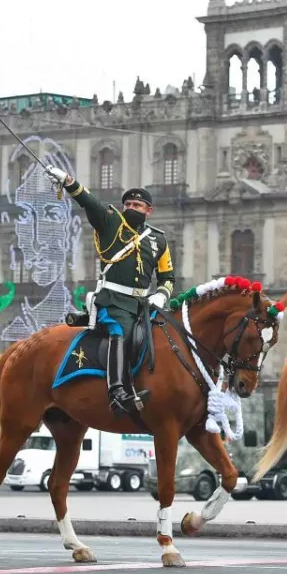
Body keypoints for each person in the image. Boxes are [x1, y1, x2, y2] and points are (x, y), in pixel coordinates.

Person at [43, 163, 174, 416]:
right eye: (128, 205)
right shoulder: (111, 223)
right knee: (121, 331)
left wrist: (161, 294)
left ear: (149, 211)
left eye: (137, 206)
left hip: (143, 304)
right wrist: (69, 182)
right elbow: (90, 203)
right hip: (113, 300)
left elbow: (168, 276)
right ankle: (117, 393)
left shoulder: (159, 240)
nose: (131, 209)